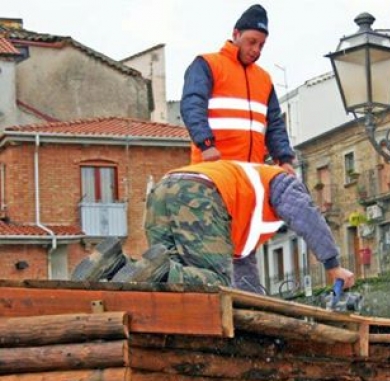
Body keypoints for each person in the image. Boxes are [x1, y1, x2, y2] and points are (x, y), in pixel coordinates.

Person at [142, 160, 355, 293]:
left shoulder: (243, 226)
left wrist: (256, 311)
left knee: (171, 283)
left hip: (161, 189)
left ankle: (120, 267)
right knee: (215, 285)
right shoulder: (282, 182)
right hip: (197, 192)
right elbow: (307, 214)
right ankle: (150, 270)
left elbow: (245, 278)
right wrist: (332, 265)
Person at [180, 3, 296, 176]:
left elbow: (274, 124)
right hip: (213, 168)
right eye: (252, 42)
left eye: (261, 45)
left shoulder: (264, 79)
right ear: (236, 34)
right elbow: (192, 105)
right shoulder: (208, 65)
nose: (256, 50)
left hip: (252, 173)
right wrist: (206, 144)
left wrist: (284, 160)